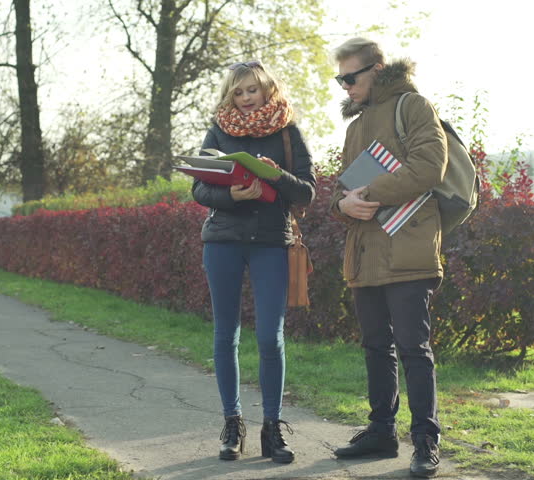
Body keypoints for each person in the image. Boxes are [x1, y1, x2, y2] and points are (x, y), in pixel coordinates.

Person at [329, 37, 447, 478]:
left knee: (414, 348)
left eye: (350, 77)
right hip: (365, 253)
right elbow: (341, 193)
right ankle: (381, 432)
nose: (344, 86)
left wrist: (369, 195)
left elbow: (429, 167)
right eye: (339, 78)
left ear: (376, 70)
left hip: (409, 248)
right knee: (375, 346)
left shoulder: (413, 106)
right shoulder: (354, 125)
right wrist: (342, 205)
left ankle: (425, 442)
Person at [191, 60, 316, 464]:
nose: (246, 98)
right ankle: (233, 424)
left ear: (267, 90)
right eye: (238, 92)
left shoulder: (287, 132)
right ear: (230, 95)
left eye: (252, 90)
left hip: (270, 243)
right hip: (223, 241)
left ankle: (273, 429)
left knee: (269, 337)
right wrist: (233, 197)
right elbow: (199, 188)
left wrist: (276, 176)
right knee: (226, 335)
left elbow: (307, 192)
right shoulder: (218, 131)